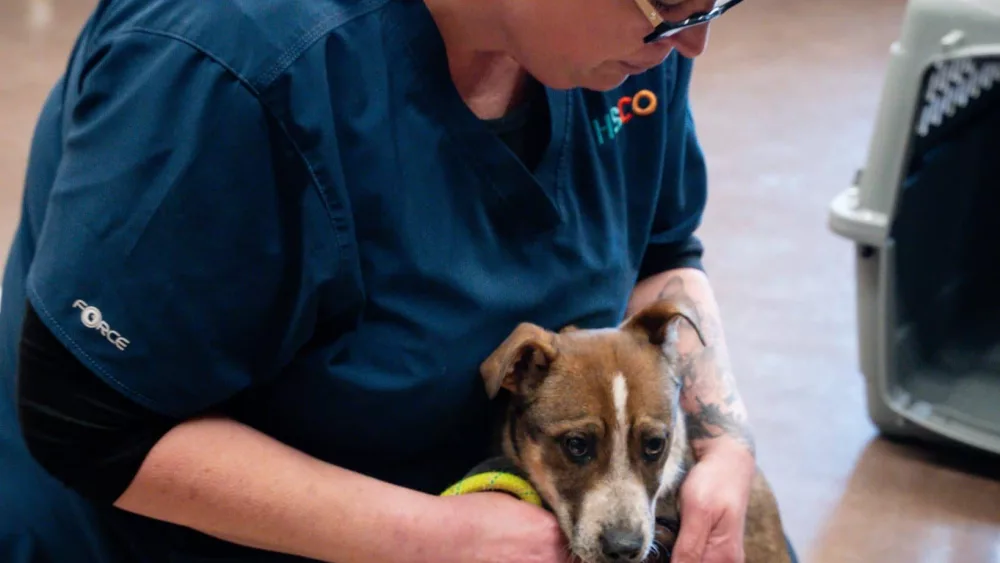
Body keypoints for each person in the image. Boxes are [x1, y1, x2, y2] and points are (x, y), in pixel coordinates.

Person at [0, 0, 778, 562]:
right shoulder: (230, 64)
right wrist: (437, 538)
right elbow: (86, 420)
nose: (694, 41)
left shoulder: (631, 46)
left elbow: (662, 249)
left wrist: (720, 443)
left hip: (495, 504)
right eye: (670, 3)